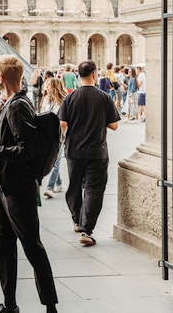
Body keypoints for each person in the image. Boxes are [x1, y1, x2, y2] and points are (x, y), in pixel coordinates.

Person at [0, 55, 58, 313]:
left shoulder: (18, 106)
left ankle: (50, 307)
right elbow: (13, 138)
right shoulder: (13, 103)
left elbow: (26, 150)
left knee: (32, 247)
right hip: (2, 186)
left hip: (17, 188)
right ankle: (9, 304)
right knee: (3, 245)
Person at [58, 60, 120, 247]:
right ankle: (87, 229)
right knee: (94, 190)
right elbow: (114, 125)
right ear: (94, 75)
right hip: (97, 152)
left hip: (74, 151)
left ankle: (77, 220)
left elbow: (62, 125)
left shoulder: (70, 98)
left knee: (74, 187)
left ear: (79, 75)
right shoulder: (104, 97)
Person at [40, 77, 67, 198]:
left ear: (54, 87)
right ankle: (59, 183)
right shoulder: (45, 100)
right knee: (53, 159)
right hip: (47, 134)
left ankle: (49, 188)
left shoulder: (63, 101)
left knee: (55, 160)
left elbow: (64, 121)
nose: (46, 86)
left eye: (48, 85)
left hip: (59, 135)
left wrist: (61, 135)